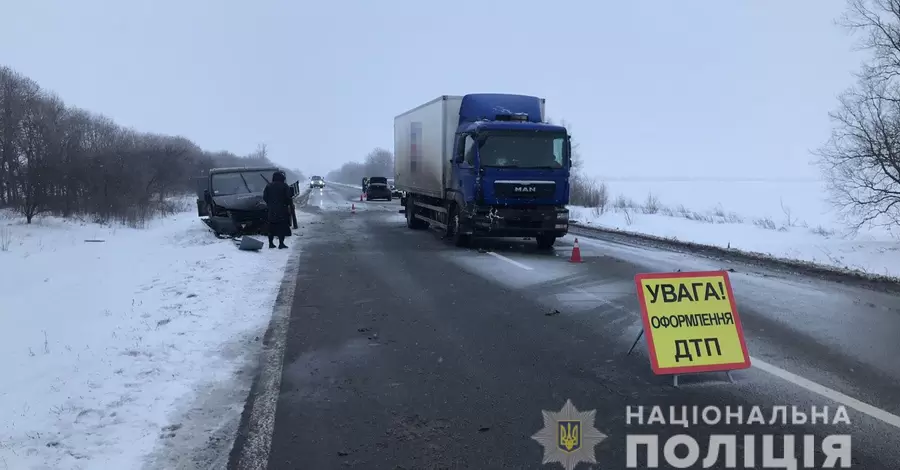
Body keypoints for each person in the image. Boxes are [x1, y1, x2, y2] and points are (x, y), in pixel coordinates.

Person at [263, 171, 293, 249]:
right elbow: (288, 197)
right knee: (281, 227)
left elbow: (265, 197)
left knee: (271, 227)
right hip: (282, 210)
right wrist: (287, 204)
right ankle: (281, 243)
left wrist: (270, 204)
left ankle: (270, 243)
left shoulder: (268, 186)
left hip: (271, 210)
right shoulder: (284, 186)